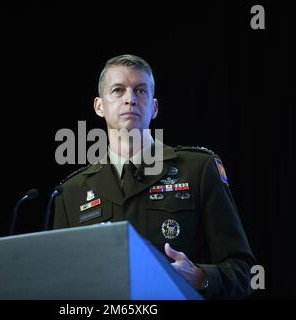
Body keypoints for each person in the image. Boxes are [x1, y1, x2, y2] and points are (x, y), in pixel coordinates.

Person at [53, 54, 256, 299]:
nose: (130, 99)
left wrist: (201, 277)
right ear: (99, 106)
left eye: (140, 91)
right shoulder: (70, 193)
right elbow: (61, 285)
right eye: (118, 90)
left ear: (154, 107)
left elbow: (244, 272)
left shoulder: (198, 170)